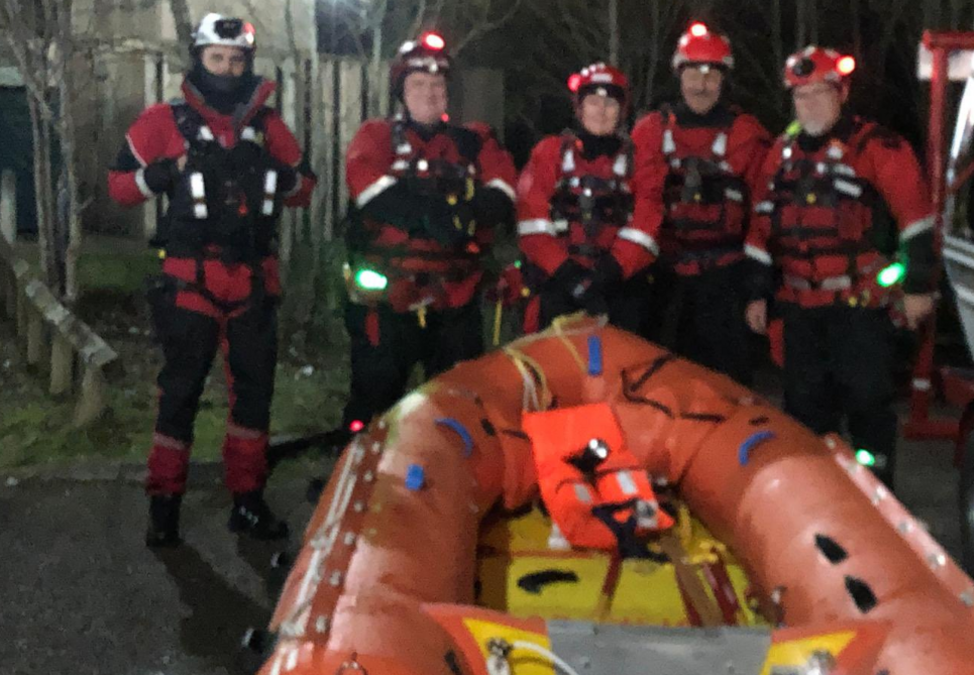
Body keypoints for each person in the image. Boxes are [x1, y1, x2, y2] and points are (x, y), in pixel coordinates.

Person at [109, 13, 316, 546]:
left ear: (248, 65)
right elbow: (118, 187)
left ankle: (247, 500)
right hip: (188, 279)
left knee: (253, 396)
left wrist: (277, 171)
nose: (227, 69)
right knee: (178, 394)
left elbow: (304, 188)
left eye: (236, 61)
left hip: (252, 281)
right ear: (198, 60)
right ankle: (164, 504)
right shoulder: (163, 121)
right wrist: (153, 177)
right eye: (217, 59)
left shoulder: (268, 126)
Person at [743, 46, 938, 487]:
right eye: (800, 96)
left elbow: (916, 218)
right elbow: (760, 227)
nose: (809, 104)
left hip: (859, 306)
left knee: (867, 402)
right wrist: (756, 291)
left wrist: (918, 286)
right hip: (799, 309)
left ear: (841, 93)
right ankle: (818, 495)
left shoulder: (876, 148)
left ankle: (876, 492)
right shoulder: (780, 154)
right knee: (805, 409)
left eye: (819, 93)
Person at [341, 32, 517, 431]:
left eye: (438, 84)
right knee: (374, 398)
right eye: (418, 84)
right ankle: (360, 478)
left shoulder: (475, 140)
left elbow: (503, 188)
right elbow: (368, 187)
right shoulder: (376, 136)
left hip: (456, 294)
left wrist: (468, 216)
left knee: (459, 403)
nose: (429, 92)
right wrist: (428, 216)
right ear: (401, 90)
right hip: (389, 294)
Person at [631, 22, 770, 382]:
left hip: (725, 278)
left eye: (711, 76)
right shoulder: (650, 131)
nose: (701, 85)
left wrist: (758, 287)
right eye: (693, 74)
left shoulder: (747, 134)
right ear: (679, 76)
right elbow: (638, 202)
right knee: (660, 380)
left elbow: (762, 214)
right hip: (665, 279)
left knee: (730, 382)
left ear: (724, 80)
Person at [516, 63, 666, 334]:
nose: (601, 110)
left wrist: (608, 273)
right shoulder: (550, 154)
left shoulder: (642, 160)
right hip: (558, 283)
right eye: (593, 101)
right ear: (579, 107)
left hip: (619, 286)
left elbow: (647, 223)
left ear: (622, 111)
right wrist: (567, 274)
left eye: (610, 103)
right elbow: (531, 221)